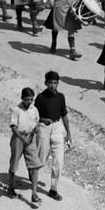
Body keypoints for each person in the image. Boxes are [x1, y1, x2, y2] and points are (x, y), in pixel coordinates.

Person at [35, 71, 73, 201]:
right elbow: (34, 117)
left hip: (57, 127)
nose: (52, 85)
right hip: (44, 128)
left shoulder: (61, 97)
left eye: (55, 83)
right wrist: (43, 120)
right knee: (41, 158)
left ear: (58, 84)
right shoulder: (40, 98)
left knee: (58, 161)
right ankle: (33, 176)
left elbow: (64, 116)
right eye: (50, 83)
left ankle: (53, 189)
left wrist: (68, 133)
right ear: (45, 83)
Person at [7, 87, 44, 205]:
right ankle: (10, 188)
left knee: (34, 165)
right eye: (27, 99)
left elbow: (37, 123)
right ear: (22, 98)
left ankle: (34, 194)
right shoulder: (17, 110)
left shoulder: (34, 109)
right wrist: (23, 139)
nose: (29, 102)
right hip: (18, 138)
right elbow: (13, 128)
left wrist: (36, 130)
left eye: (31, 100)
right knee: (14, 163)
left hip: (30, 138)